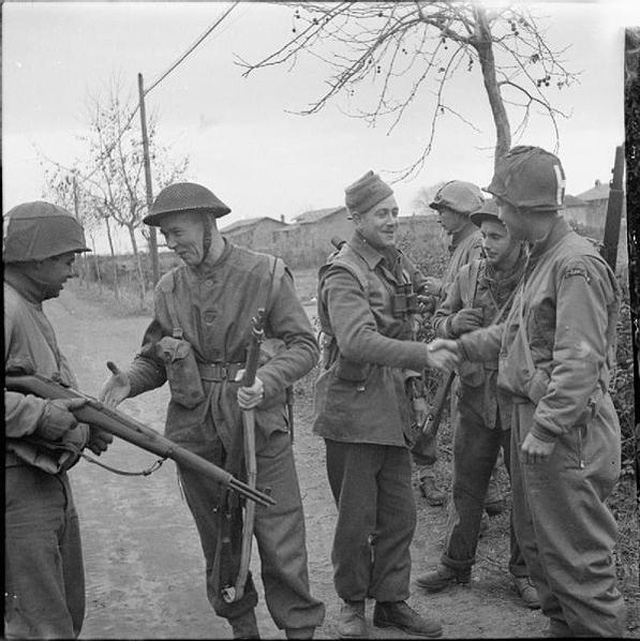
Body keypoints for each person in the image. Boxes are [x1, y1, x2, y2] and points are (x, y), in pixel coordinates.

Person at [100, 182, 325, 640]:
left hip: (257, 425)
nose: (171, 244)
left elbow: (304, 346)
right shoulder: (169, 288)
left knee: (280, 537)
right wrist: (130, 379)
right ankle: (243, 628)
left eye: (177, 233)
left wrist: (267, 380)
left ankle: (300, 630)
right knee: (219, 538)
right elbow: (154, 357)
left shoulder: (266, 274)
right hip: (195, 430)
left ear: (208, 223)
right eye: (164, 236)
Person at [452, 146, 625, 637]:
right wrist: (458, 346)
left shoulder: (575, 266)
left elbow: (579, 363)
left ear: (525, 209)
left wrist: (546, 429)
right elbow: (517, 336)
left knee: (578, 567)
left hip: (565, 432)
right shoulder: (544, 259)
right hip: (539, 422)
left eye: (502, 205)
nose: (498, 214)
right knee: (543, 557)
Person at [313, 170, 459, 639]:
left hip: (392, 408)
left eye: (395, 212)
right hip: (353, 411)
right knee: (356, 520)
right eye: (382, 213)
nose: (392, 220)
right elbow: (356, 342)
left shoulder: (394, 263)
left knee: (399, 515)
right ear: (356, 219)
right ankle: (353, 605)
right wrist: (423, 355)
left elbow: (411, 311)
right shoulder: (344, 272)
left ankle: (392, 602)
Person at [416, 199, 540, 609]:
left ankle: (525, 573)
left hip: (520, 400)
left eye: (495, 235)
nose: (486, 243)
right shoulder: (468, 275)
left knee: (525, 491)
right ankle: (456, 564)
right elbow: (437, 320)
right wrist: (451, 324)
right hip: (472, 396)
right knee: (465, 486)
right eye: (483, 235)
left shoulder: (536, 277)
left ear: (517, 237)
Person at [4, 201, 113, 639]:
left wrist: (84, 425)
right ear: (35, 258)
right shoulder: (8, 308)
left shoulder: (28, 306)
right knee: (38, 624)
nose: (72, 272)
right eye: (67, 260)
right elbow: (36, 403)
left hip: (43, 477)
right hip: (17, 486)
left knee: (63, 611)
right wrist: (39, 416)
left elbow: (48, 385)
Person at [413, 180, 505, 514]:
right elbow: (455, 298)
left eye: (444, 209)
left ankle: (483, 496)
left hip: (477, 356)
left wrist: (447, 309)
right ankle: (486, 495)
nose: (439, 216)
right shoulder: (462, 245)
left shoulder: (475, 247)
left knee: (476, 428)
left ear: (464, 212)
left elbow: (477, 303)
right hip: (464, 351)